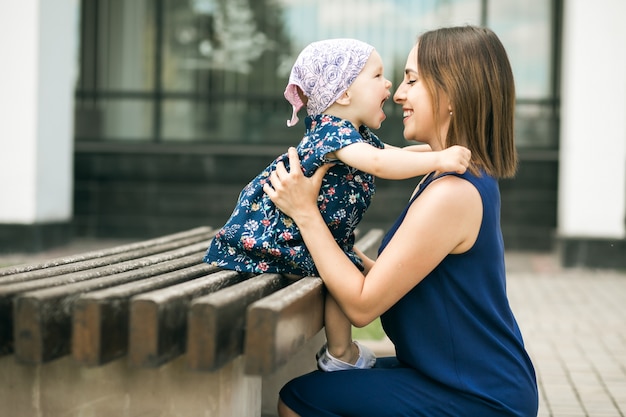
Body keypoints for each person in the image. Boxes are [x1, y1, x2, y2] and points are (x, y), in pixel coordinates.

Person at [264, 26, 538, 416]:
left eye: (412, 79)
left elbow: (362, 308)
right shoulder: (446, 171)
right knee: (325, 387)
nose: (397, 94)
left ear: (452, 94)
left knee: (299, 400)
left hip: (480, 398)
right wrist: (357, 262)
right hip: (466, 379)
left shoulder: (452, 192)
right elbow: (429, 283)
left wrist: (305, 212)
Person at [204, 38, 471, 372]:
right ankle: (340, 352)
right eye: (377, 76)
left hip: (308, 233)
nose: (390, 85)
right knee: (343, 271)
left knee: (344, 270)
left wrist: (439, 156)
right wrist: (441, 158)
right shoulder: (333, 135)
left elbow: (396, 155)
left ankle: (340, 353)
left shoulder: (353, 135)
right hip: (282, 236)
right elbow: (379, 164)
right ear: (343, 94)